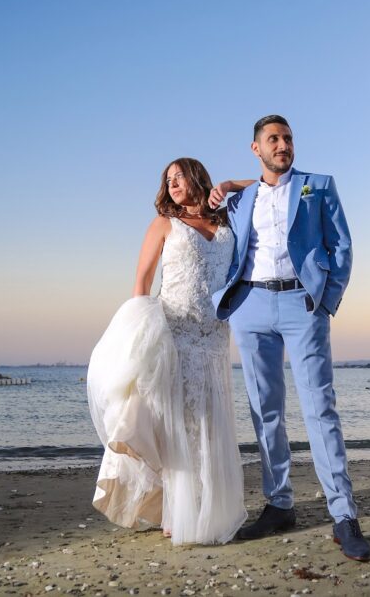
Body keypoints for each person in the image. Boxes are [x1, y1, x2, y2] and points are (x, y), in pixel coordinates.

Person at [209, 115, 370, 561]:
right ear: (256, 148)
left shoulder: (319, 185)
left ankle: (344, 515)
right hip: (250, 306)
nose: (283, 144)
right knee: (265, 412)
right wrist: (229, 183)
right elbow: (206, 215)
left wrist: (326, 299)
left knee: (320, 408)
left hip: (303, 304)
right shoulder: (240, 199)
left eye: (288, 138)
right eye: (273, 139)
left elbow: (342, 247)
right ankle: (279, 504)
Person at [86, 158, 253, 545]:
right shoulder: (165, 224)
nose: (174, 183)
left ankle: (207, 508)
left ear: (197, 177)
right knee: (175, 420)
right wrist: (136, 337)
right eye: (168, 179)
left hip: (212, 335)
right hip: (173, 332)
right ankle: (175, 513)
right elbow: (141, 283)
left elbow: (263, 188)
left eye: (180, 176)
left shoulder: (227, 220)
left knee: (209, 420)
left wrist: (226, 185)